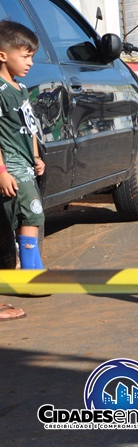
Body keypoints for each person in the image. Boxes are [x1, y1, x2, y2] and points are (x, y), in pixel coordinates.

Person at [0, 21, 46, 268]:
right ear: (3, 55)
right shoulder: (1, 90)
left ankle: (28, 266)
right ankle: (31, 271)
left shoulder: (22, 89)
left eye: (32, 57)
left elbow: (31, 128)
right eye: (26, 56)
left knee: (30, 215)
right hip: (12, 166)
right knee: (31, 214)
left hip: (27, 165)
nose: (30, 63)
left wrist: (37, 157)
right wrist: (2, 172)